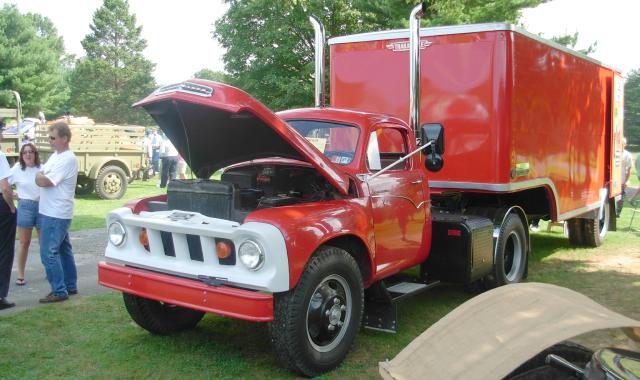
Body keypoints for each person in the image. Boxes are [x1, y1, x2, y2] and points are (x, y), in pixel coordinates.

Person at [35, 122, 79, 303]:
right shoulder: (56, 156)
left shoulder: (67, 158)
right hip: (53, 211)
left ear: (64, 138)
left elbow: (45, 180)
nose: (50, 141)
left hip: (55, 213)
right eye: (49, 138)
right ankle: (69, 285)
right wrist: (39, 176)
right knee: (63, 249)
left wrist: (38, 178)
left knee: (48, 252)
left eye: (53, 138)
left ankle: (59, 290)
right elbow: (41, 174)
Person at [9, 143, 42, 286]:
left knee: (44, 243)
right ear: (22, 156)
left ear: (35, 154)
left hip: (42, 207)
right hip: (25, 207)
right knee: (24, 243)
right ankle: (21, 274)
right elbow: (4, 183)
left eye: (31, 152)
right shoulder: (16, 169)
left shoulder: (42, 168)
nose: (28, 154)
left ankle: (50, 271)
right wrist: (13, 196)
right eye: (25, 152)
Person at [0, 123, 17, 310]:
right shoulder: (0, 155)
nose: (3, 133)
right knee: (4, 250)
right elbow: (5, 187)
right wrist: (11, 207)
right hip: (1, 207)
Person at [617, 138, 633, 216]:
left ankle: (618, 212)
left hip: (622, 179)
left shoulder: (628, 155)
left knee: (621, 196)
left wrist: (626, 181)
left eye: (622, 144)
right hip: (614, 179)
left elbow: (630, 168)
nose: (620, 145)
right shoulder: (614, 153)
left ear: (625, 145)